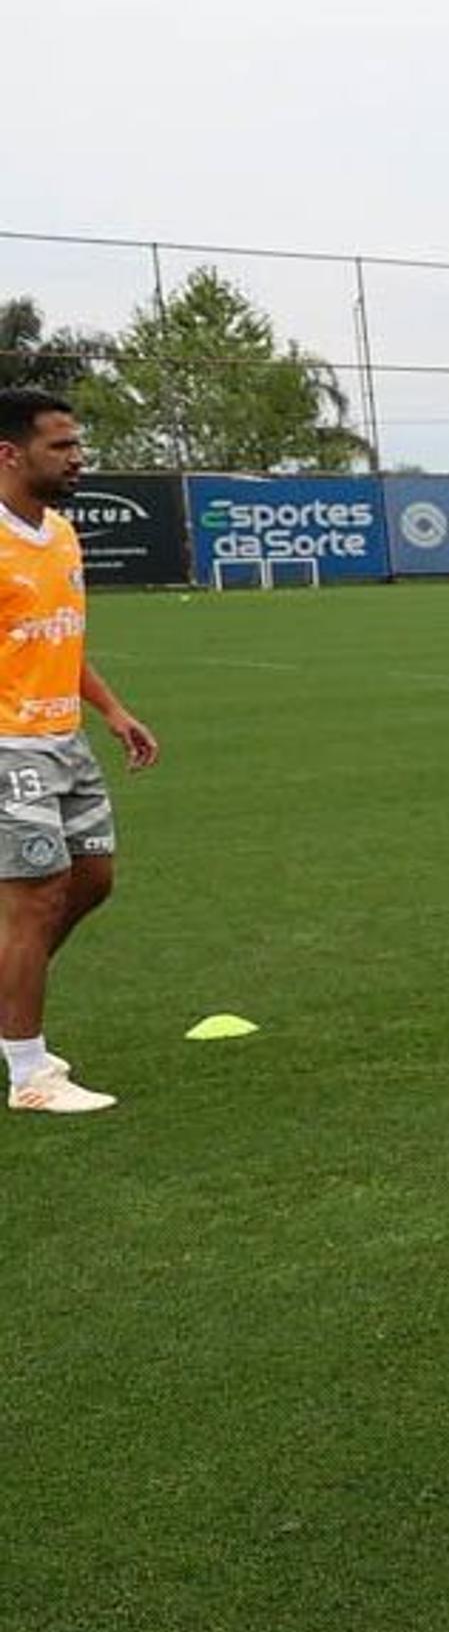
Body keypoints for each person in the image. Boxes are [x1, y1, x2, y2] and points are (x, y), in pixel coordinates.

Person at [0, 390, 157, 1116]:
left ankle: (9, 1010)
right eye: (60, 446)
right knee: (33, 900)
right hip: (9, 746)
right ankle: (30, 1074)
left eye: (76, 444)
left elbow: (57, 636)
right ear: (10, 454)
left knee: (92, 878)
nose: (77, 457)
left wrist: (114, 710)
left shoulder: (61, 534)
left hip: (65, 736)